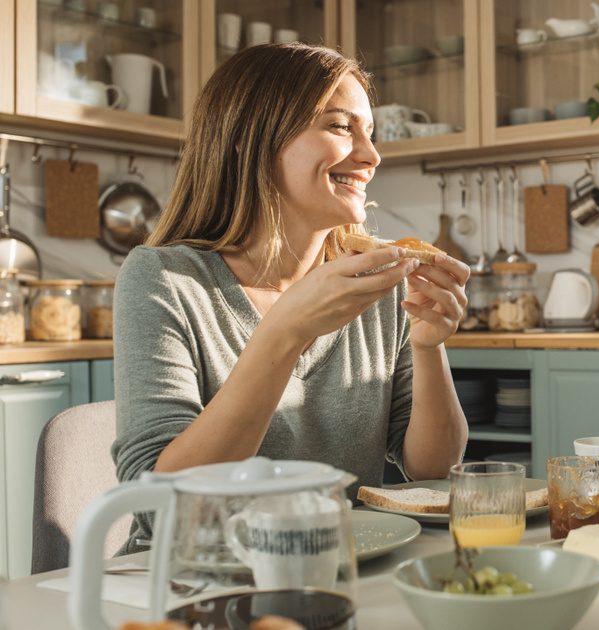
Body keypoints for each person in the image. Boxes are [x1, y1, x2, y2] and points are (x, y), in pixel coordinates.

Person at [111, 44, 470, 551]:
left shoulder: (378, 279)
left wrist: (429, 347)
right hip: (191, 583)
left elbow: (432, 470)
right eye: (341, 127)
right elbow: (162, 504)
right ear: (249, 139)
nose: (371, 156)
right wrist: (286, 330)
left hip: (337, 570)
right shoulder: (165, 279)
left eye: (371, 134)